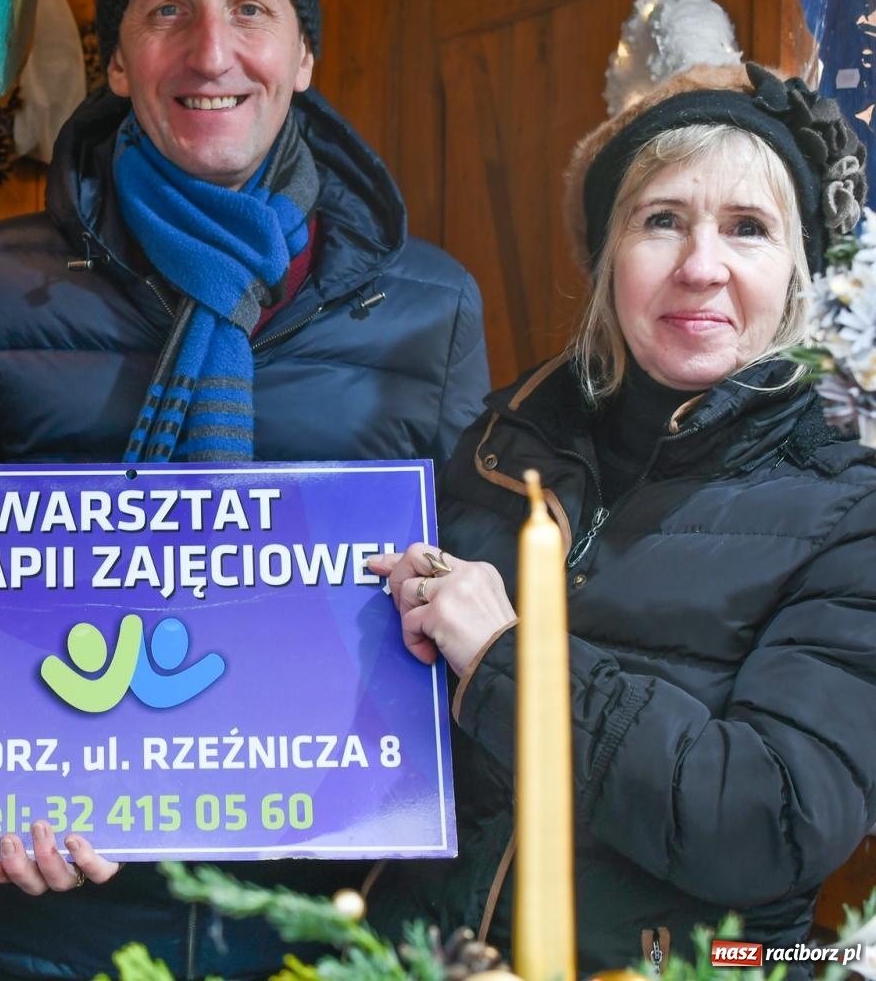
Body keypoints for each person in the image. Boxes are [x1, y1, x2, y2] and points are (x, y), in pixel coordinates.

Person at [0, 0, 489, 976]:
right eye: (168, 11)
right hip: (59, 926)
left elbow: (463, 620)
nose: (211, 51)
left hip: (321, 919)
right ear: (117, 58)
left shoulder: (424, 308)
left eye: (251, 8)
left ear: (302, 53)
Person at [366, 62, 876, 975]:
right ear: (608, 260)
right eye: (662, 220)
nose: (700, 265)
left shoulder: (854, 504)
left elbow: (770, 819)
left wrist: (508, 661)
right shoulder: (498, 443)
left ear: (798, 273)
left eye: (748, 229)